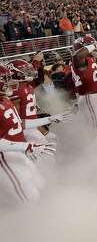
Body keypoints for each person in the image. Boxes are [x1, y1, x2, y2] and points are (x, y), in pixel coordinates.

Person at [0, 64, 57, 204]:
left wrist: (47, 119)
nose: (9, 82)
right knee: (30, 200)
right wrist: (27, 147)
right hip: (5, 158)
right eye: (4, 78)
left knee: (41, 185)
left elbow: (19, 125)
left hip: (18, 151)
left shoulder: (5, 99)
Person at [71, 35, 97, 132]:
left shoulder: (88, 59)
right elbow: (78, 55)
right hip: (89, 97)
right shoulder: (78, 59)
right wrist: (94, 45)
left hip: (93, 96)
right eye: (89, 46)